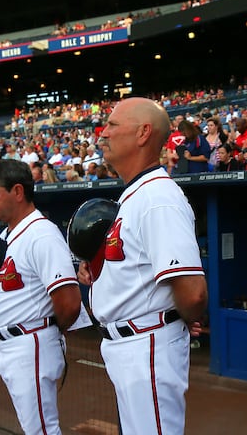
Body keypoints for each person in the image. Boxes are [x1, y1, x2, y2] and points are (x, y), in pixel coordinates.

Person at [77, 97, 208, 435]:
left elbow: (192, 294)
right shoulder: (136, 195)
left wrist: (178, 318)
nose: (103, 133)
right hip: (131, 343)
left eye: (113, 125)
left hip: (146, 344)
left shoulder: (158, 197)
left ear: (143, 133)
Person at [0, 159, 81, 434]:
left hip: (30, 343)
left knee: (41, 429)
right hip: (12, 345)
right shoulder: (10, 234)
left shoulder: (41, 234)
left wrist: (45, 333)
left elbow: (69, 302)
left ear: (17, 192)